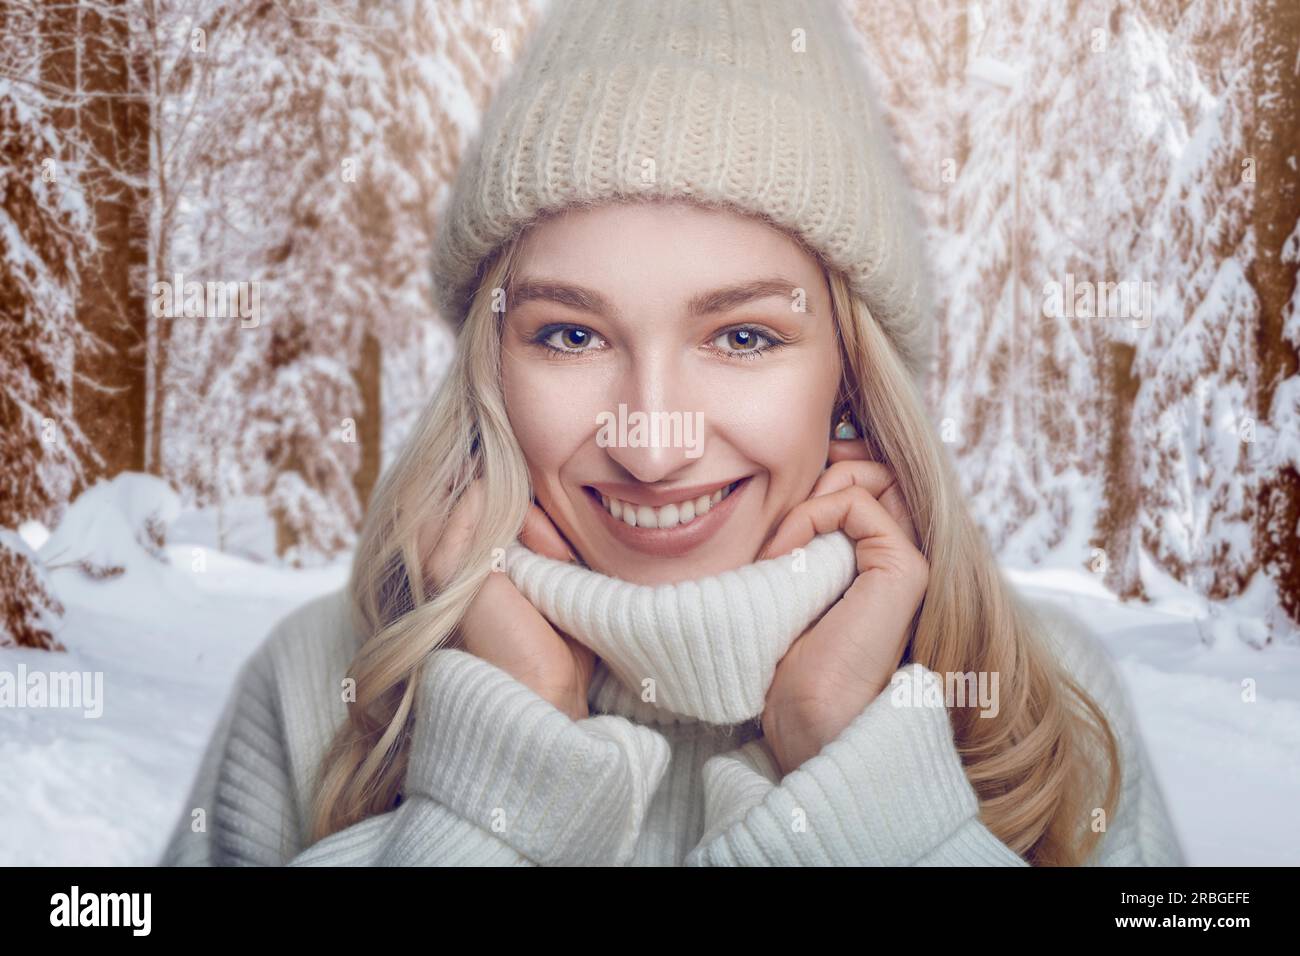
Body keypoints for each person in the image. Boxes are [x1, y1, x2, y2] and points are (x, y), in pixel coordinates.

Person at [159, 0, 1185, 867]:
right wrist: (494, 789)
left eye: (741, 335)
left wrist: (864, 779)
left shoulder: (1048, 701)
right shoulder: (317, 686)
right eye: (570, 333)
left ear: (849, 373)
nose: (651, 443)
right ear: (490, 364)